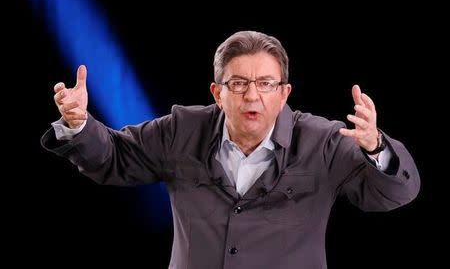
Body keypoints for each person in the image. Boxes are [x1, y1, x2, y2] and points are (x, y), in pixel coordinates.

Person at [41, 30, 420, 268]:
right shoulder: (181, 129)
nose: (252, 95)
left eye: (266, 83)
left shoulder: (325, 140)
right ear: (217, 93)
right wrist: (80, 125)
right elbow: (115, 158)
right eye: (238, 83)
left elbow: (394, 194)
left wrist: (376, 146)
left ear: (285, 92)